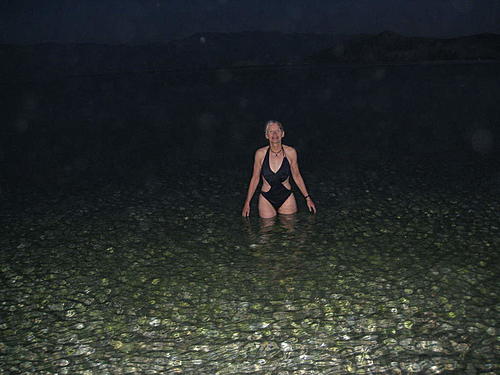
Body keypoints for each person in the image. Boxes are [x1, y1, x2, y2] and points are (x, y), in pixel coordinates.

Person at [242, 120, 317, 218]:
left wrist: (307, 198)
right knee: (266, 231)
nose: (274, 134)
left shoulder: (291, 152)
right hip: (266, 198)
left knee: (289, 229)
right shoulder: (260, 154)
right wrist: (247, 203)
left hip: (286, 197)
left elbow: (297, 176)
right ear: (266, 135)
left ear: (282, 134)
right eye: (271, 131)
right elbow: (255, 178)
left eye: (277, 131)